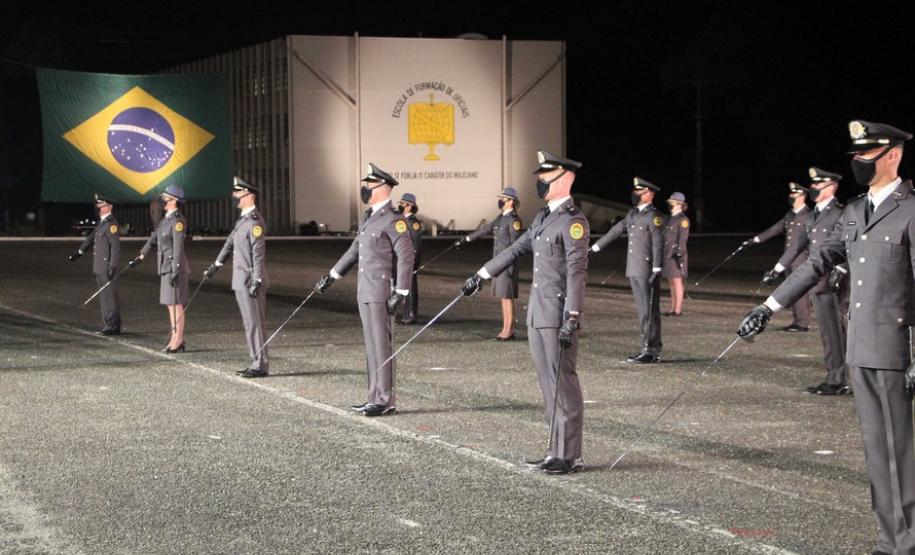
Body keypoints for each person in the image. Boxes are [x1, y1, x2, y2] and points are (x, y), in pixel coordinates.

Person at [738, 120, 915, 555]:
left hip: (895, 348)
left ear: (893, 155)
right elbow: (816, 264)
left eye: (867, 154)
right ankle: (890, 538)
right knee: (877, 449)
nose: (858, 162)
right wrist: (769, 306)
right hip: (860, 347)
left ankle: (905, 541)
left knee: (899, 450)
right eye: (855, 155)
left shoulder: (912, 210)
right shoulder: (854, 212)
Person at [462, 150, 589, 475]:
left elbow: (576, 272)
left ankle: (569, 454)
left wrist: (572, 317)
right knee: (548, 386)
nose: (541, 182)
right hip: (537, 313)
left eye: (546, 177)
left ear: (566, 179)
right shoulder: (542, 218)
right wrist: (482, 274)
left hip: (557, 314)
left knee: (563, 384)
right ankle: (554, 450)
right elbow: (516, 249)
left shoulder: (574, 222)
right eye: (540, 177)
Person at [314, 164, 414, 417]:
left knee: (382, 345)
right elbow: (353, 251)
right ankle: (374, 397)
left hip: (382, 290)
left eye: (370, 185)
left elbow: (406, 257)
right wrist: (332, 276)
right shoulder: (369, 217)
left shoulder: (394, 220)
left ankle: (385, 399)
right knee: (371, 346)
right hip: (365, 290)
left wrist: (401, 293)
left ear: (383, 188)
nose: (365, 189)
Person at [778, 167, 851, 395]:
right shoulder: (812, 216)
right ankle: (836, 376)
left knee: (840, 332)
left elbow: (852, 244)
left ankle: (845, 379)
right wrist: (778, 267)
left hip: (835, 282)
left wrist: (842, 268)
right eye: (813, 185)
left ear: (833, 187)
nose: (814, 188)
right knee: (829, 332)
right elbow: (797, 246)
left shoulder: (842, 212)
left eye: (819, 185)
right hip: (817, 282)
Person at [590, 177, 664, 363]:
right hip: (634, 268)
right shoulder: (632, 214)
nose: (635, 194)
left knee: (649, 310)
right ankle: (647, 348)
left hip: (647, 269)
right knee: (642, 310)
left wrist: (657, 267)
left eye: (640, 191)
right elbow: (616, 231)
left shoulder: (653, 216)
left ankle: (651, 350)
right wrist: (594, 248)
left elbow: (658, 244)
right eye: (635, 191)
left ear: (650, 194)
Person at [204, 177, 270, 378]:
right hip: (241, 280)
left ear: (249, 195)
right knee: (249, 322)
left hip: (251, 280)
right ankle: (255, 360)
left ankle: (260, 364)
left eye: (238, 193)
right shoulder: (242, 220)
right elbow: (229, 243)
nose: (234, 197)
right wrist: (216, 264)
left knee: (255, 323)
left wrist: (257, 280)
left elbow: (258, 254)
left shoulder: (255, 222)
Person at [130, 184, 190, 353]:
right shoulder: (166, 220)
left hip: (173, 267)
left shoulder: (178, 220)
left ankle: (178, 340)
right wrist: (141, 255)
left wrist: (176, 269)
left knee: (177, 305)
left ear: (174, 200)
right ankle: (175, 337)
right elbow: (153, 238)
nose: (163, 201)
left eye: (166, 198)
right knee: (170, 305)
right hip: (165, 266)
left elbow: (178, 247)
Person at [459, 187, 523, 340]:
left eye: (504, 199)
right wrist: (467, 239)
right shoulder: (501, 218)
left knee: (508, 298)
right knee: (503, 297)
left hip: (507, 266)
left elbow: (515, 247)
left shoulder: (514, 221)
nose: (500, 201)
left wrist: (510, 268)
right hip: (498, 264)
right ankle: (505, 328)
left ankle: (509, 330)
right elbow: (486, 229)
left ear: (511, 202)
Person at [753, 182, 812, 331]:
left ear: (803, 196)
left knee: (800, 290)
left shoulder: (809, 215)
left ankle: (802, 322)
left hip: (801, 258)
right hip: (788, 258)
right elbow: (776, 229)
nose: (791, 196)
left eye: (795, 194)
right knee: (792, 289)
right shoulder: (789, 214)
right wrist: (756, 239)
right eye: (790, 194)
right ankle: (797, 320)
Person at [68, 193, 121, 335]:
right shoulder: (102, 224)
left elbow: (115, 248)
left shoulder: (111, 225)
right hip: (99, 266)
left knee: (109, 297)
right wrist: (78, 253)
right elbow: (90, 240)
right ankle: (108, 324)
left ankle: (113, 325)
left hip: (106, 267)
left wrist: (112, 266)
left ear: (109, 207)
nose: (98, 208)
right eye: (98, 205)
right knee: (104, 297)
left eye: (101, 205)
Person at [661, 192, 690, 317]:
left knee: (677, 281)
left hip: (676, 255)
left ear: (679, 204)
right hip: (667, 254)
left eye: (672, 203)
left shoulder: (683, 220)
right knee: (671, 281)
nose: (670, 205)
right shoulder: (668, 218)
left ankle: (677, 309)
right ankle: (672, 308)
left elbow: (682, 240)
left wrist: (679, 254)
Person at [397, 193, 423, 324]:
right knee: (403, 285)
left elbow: (415, 244)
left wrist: (412, 261)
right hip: (401, 258)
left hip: (409, 259)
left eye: (402, 204)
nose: (400, 206)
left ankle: (411, 314)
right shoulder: (401, 220)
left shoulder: (413, 223)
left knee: (410, 286)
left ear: (409, 206)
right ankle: (405, 312)